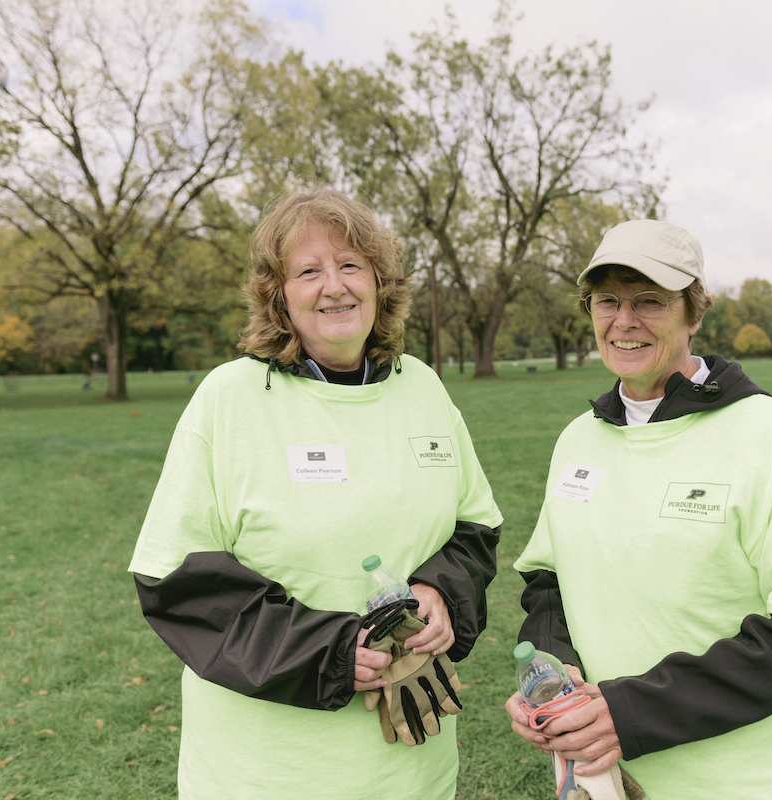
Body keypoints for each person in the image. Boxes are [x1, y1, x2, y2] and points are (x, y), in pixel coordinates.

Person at [129, 188, 503, 800]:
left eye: (351, 265)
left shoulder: (423, 388)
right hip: (269, 774)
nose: (335, 286)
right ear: (278, 295)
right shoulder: (231, 398)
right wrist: (329, 652)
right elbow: (174, 578)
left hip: (414, 766)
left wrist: (440, 591)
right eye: (309, 271)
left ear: (380, 283)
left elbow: (475, 527)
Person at [505, 219, 772, 799]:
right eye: (607, 301)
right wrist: (549, 673)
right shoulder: (579, 439)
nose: (625, 321)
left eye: (650, 301)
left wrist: (630, 713)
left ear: (695, 312)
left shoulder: (769, 432)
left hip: (750, 783)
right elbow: (550, 585)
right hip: (606, 779)